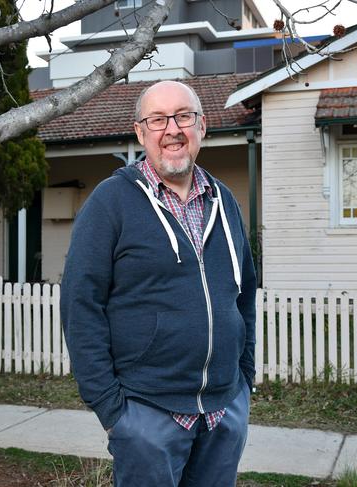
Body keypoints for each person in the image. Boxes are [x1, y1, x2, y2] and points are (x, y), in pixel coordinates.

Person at [60, 80, 256, 486]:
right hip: (147, 414)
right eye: (158, 119)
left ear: (202, 127)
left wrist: (244, 383)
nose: (172, 129)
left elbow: (245, 296)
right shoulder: (111, 202)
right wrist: (113, 411)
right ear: (140, 132)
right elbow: (81, 305)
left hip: (223, 412)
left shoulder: (224, 202)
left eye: (184, 116)